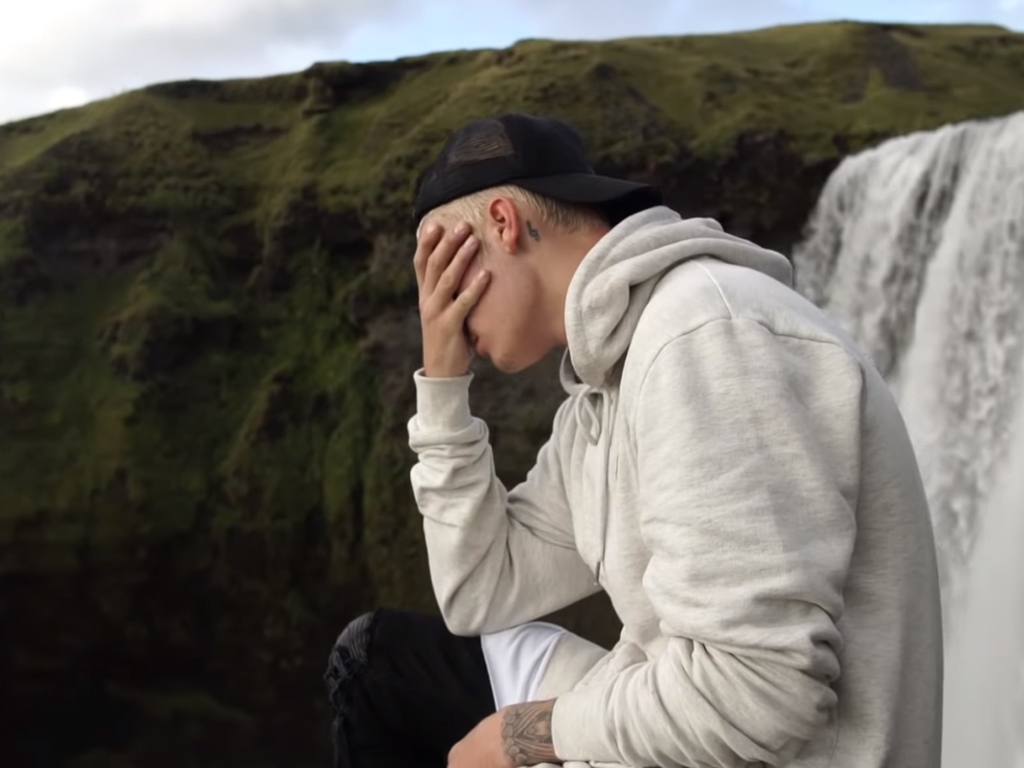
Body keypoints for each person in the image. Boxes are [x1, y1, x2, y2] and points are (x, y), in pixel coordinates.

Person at [324, 113, 944, 768]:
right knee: (376, 664)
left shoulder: (703, 335)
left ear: (502, 225)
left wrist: (520, 734)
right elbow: (479, 588)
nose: (435, 307)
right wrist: (443, 384)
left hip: (761, 747)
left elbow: (757, 694)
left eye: (439, 267)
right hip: (696, 731)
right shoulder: (603, 391)